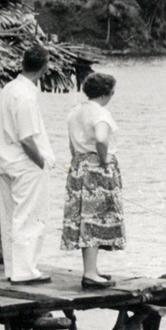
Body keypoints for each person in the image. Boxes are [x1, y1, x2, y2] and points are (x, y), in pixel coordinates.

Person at [0, 47, 55, 284]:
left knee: (11, 215)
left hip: (6, 161)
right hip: (25, 164)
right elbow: (27, 138)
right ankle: (25, 271)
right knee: (29, 216)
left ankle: (14, 269)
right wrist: (41, 162)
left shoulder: (8, 89)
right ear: (44, 67)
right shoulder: (26, 96)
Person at [61, 72, 126, 288]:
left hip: (78, 165)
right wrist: (103, 159)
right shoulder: (101, 113)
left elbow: (72, 145)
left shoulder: (75, 112)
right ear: (107, 93)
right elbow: (100, 138)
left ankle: (92, 269)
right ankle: (90, 273)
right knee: (95, 217)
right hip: (97, 167)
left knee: (84, 217)